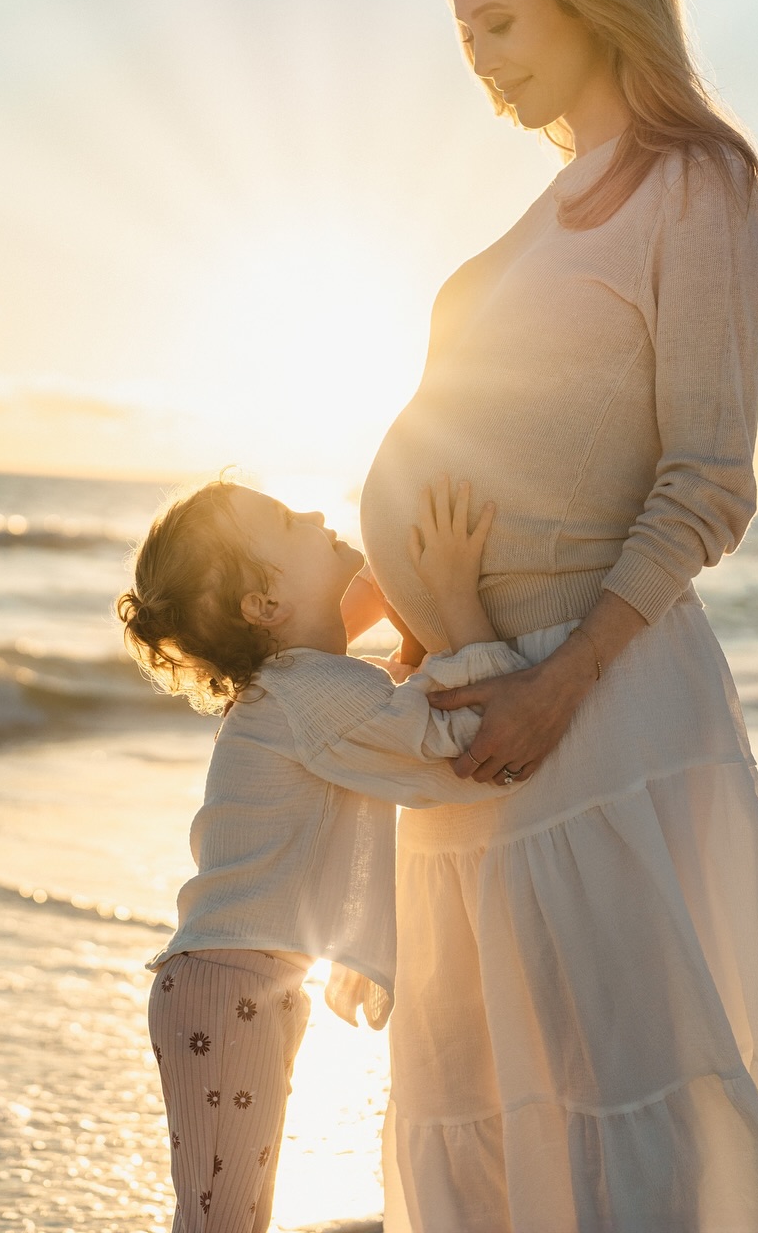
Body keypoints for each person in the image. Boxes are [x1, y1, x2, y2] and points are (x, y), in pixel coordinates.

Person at [358, 0, 758, 1231]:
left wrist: (555, 682)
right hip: (473, 701)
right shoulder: (543, 214)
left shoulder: (695, 187)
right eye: (467, 41)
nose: (486, 67)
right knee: (487, 1097)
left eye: (501, 26)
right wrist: (418, 629)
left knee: (627, 1092)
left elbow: (707, 483)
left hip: (591, 714)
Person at [117, 476, 521, 1233]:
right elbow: (460, 743)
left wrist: (406, 618)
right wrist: (457, 599)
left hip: (240, 981)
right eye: (281, 519)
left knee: (231, 1211)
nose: (309, 511)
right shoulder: (310, 690)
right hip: (228, 984)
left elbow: (388, 703)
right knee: (222, 1217)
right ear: (262, 607)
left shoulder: (301, 684)